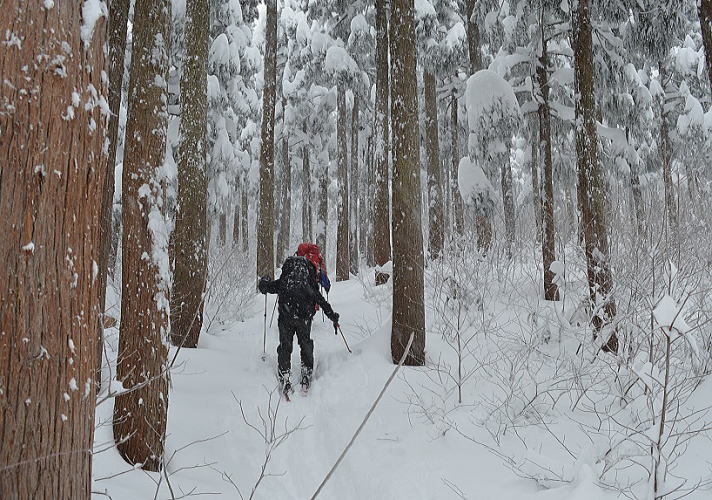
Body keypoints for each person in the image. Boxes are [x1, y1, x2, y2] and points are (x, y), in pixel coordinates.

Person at [258, 249, 339, 394]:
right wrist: (333, 316)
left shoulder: (285, 279)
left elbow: (268, 287)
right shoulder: (308, 280)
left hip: (286, 315)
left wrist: (264, 282)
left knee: (285, 346)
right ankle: (306, 374)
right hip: (304, 317)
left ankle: (285, 374)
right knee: (305, 343)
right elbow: (320, 299)